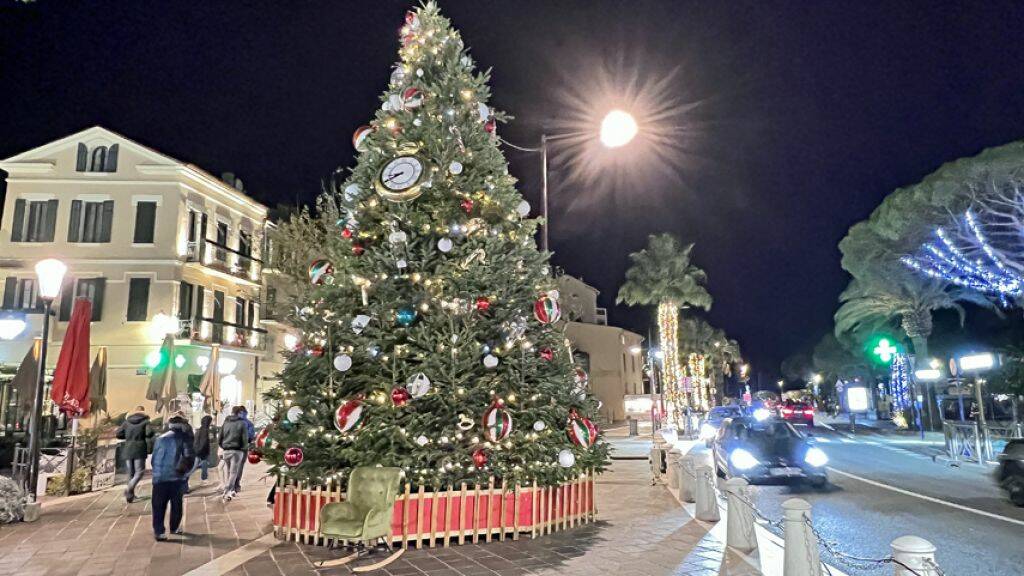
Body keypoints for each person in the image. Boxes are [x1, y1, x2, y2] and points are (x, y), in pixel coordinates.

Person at [150, 415, 195, 541]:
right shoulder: (184, 439)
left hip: (159, 477)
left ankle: (159, 531)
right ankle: (174, 527)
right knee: (176, 504)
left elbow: (154, 459)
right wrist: (185, 472)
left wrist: (157, 472)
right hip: (176, 477)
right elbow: (188, 457)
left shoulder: (160, 438)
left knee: (158, 505)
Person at [116, 406, 153, 503]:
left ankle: (130, 496)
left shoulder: (127, 422)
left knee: (130, 473)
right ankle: (129, 488)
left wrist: (128, 436)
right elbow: (149, 433)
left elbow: (118, 434)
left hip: (128, 448)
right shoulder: (146, 422)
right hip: (139, 448)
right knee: (139, 472)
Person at [218, 406, 249, 502]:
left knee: (228, 472)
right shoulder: (241, 423)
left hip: (226, 450)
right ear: (239, 413)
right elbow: (245, 439)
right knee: (233, 473)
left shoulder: (226, 423)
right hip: (237, 451)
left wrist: (223, 446)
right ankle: (227, 491)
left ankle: (231, 491)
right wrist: (244, 449)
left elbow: (220, 437)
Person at [231, 407, 257, 493]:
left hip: (232, 446)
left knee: (232, 465)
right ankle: (236, 484)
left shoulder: (232, 421)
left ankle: (231, 484)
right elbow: (251, 436)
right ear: (245, 412)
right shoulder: (249, 423)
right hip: (243, 447)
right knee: (240, 466)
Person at [187, 415, 213, 493]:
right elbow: (204, 442)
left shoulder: (200, 430)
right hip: (201, 452)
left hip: (199, 451)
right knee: (194, 467)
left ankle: (204, 479)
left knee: (203, 464)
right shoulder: (205, 430)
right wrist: (201, 452)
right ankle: (185, 478)